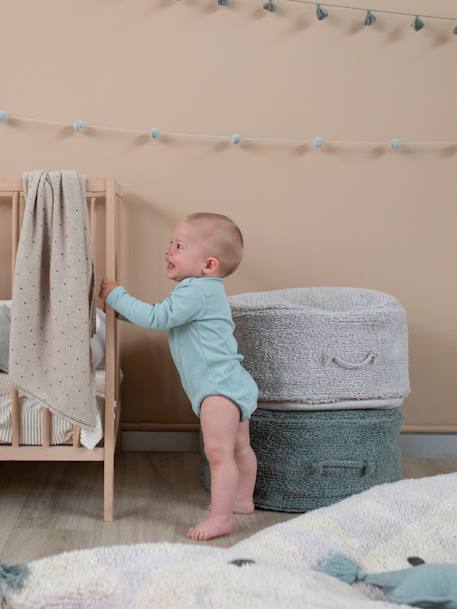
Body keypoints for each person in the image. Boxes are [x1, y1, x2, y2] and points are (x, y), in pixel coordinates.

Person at [99, 212, 258, 541]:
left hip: (217, 390)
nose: (168, 250)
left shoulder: (195, 290)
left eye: (179, 246)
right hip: (233, 383)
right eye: (170, 243)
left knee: (219, 453)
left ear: (209, 265)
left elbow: (157, 318)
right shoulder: (207, 291)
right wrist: (122, 312)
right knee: (240, 447)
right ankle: (242, 499)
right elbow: (164, 318)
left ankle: (220, 517)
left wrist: (116, 296)